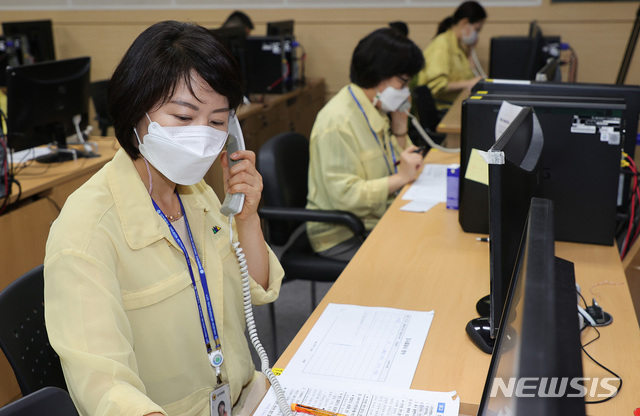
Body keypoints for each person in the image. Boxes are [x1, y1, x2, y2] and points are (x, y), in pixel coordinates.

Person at [43, 21, 284, 416]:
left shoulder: (198, 194)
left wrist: (248, 218)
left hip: (243, 399)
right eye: (184, 117)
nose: (203, 136)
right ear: (137, 111)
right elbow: (104, 385)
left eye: (218, 122)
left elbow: (255, 288)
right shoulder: (85, 231)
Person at [306, 28, 425, 261]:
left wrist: (400, 127)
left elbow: (404, 163)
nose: (405, 91)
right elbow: (345, 197)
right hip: (342, 233)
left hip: (374, 219)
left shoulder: (376, 109)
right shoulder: (338, 121)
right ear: (380, 74)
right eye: (403, 82)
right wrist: (400, 179)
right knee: (417, 258)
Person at [415, 1, 488, 111]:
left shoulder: (458, 46)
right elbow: (437, 85)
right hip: (442, 109)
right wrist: (468, 83)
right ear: (465, 23)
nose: (477, 35)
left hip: (454, 106)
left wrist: (470, 50)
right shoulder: (442, 45)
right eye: (477, 30)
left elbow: (470, 75)